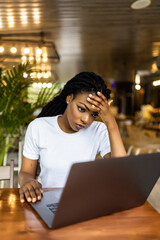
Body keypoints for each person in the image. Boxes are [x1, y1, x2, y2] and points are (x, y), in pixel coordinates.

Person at [18, 72, 126, 203]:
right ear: (69, 98)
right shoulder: (39, 127)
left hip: (85, 202)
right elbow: (26, 173)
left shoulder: (99, 130)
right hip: (48, 201)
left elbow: (121, 171)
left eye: (94, 114)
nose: (86, 119)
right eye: (81, 109)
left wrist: (110, 122)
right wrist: (28, 182)